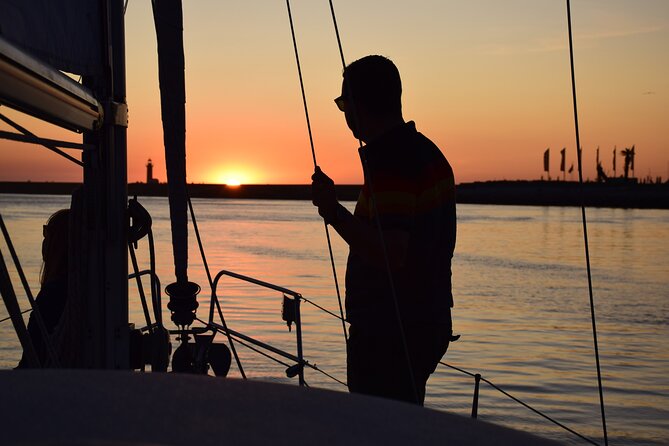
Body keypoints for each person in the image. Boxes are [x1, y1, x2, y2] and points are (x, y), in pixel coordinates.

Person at [311, 55, 456, 405]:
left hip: (390, 333)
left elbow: (391, 252)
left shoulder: (392, 161)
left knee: (378, 430)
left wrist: (331, 211)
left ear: (359, 106)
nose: (344, 114)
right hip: (424, 323)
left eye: (343, 103)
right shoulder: (426, 152)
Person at [17, 209, 70, 368]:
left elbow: (32, 358)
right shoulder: (75, 290)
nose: (44, 242)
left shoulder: (52, 295)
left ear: (59, 242)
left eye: (47, 234)